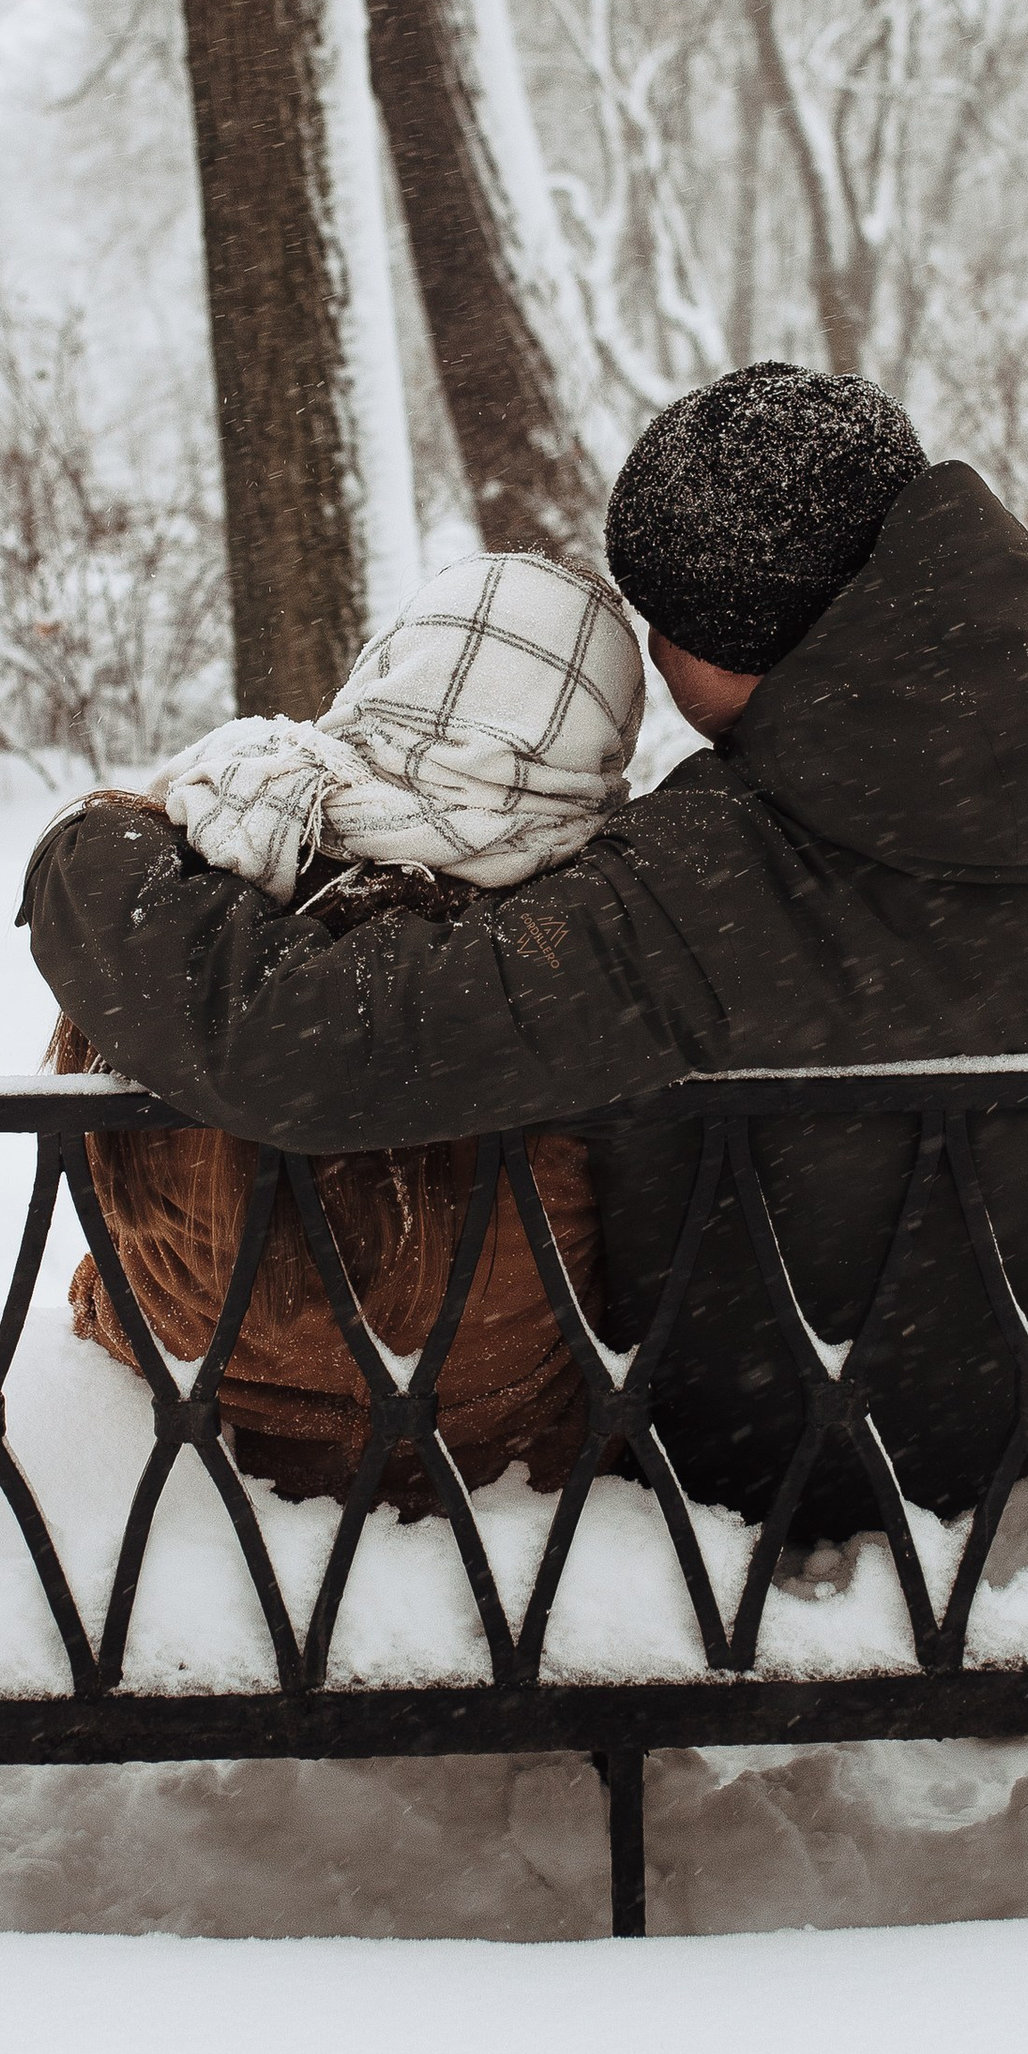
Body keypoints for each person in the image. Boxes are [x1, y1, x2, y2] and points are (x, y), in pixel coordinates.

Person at [25, 365, 1028, 1541]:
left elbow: (315, 1045)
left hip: (831, 1460)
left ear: (713, 653)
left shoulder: (723, 866)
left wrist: (92, 856)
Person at [45, 551, 642, 1517]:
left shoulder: (196, 895)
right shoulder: (579, 965)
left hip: (187, 1470)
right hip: (505, 1498)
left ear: (384, 674)